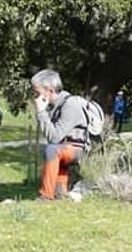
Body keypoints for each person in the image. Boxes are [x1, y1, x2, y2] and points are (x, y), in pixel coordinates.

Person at [32, 69, 91, 201]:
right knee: (60, 195)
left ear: (50, 91)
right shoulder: (52, 106)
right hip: (63, 149)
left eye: (37, 92)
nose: (35, 96)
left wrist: (41, 112)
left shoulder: (70, 104)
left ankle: (45, 196)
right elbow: (52, 136)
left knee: (52, 150)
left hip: (77, 150)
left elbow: (54, 138)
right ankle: (60, 192)